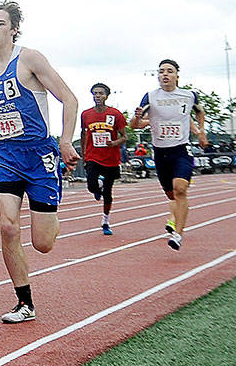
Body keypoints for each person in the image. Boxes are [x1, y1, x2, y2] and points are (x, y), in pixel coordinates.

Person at [0, 0, 79, 324]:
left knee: (43, 243)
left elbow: (69, 98)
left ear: (13, 28)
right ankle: (24, 302)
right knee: (8, 226)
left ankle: (51, 217)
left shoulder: (29, 58)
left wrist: (65, 140)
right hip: (5, 156)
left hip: (40, 155)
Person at [130, 60, 207, 250]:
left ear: (177, 76)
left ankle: (178, 235)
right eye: (161, 71)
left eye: (169, 71)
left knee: (180, 188)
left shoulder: (189, 96)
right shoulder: (150, 97)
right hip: (160, 152)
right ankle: (174, 217)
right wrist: (137, 117)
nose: (165, 74)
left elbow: (199, 112)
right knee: (171, 194)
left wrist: (202, 131)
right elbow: (134, 125)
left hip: (181, 149)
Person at [81, 82, 127, 235]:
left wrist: (114, 143)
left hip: (111, 158)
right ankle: (97, 186)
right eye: (95, 93)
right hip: (92, 156)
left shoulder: (115, 114)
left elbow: (124, 137)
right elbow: (84, 134)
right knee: (91, 185)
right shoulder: (86, 114)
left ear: (106, 96)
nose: (97, 96)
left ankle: (105, 221)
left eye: (100, 93)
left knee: (108, 193)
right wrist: (83, 153)